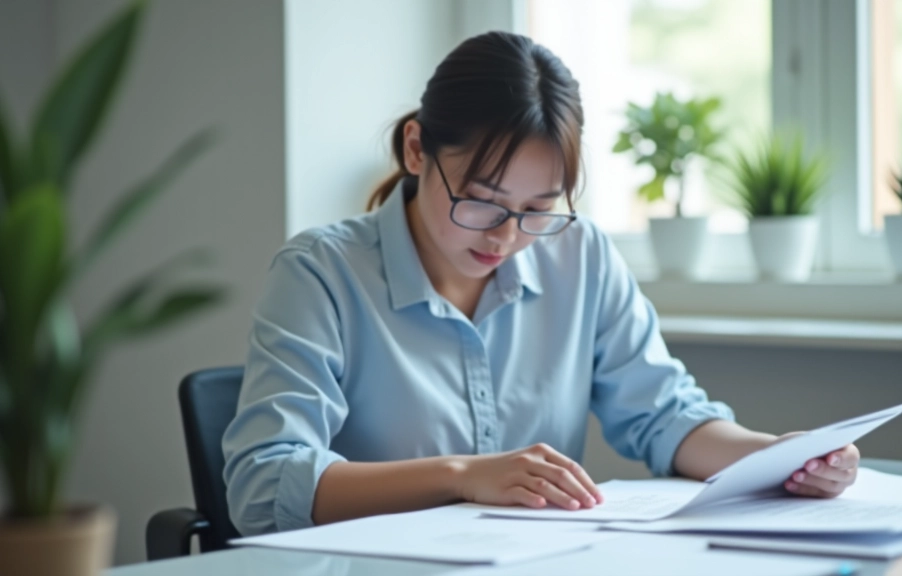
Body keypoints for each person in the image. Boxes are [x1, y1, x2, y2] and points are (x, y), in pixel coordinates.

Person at [222, 31, 860, 536]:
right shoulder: (321, 273)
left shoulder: (579, 256)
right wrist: (463, 476)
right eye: (480, 201)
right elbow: (263, 484)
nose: (504, 236)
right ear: (417, 151)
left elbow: (666, 416)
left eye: (538, 209)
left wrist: (778, 457)